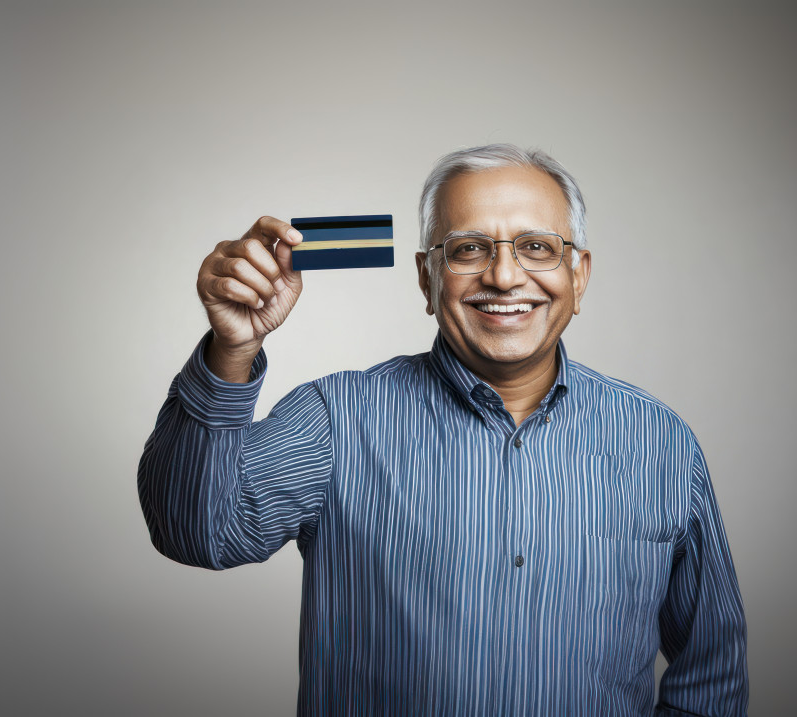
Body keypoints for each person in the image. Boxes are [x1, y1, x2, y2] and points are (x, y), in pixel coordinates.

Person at [138, 144, 748, 716]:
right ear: (427, 280)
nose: (505, 277)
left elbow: (712, 673)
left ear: (579, 275)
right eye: (468, 249)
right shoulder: (338, 419)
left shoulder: (659, 442)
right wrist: (231, 350)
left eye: (537, 247)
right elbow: (197, 533)